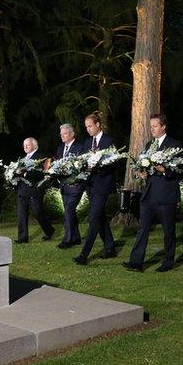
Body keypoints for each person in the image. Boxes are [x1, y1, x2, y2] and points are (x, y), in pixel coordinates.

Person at [123, 113, 183, 273]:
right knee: (142, 229)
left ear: (163, 126)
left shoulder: (174, 145)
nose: (152, 129)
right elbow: (143, 166)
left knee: (168, 231)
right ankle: (136, 262)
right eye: (150, 127)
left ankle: (168, 262)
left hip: (166, 195)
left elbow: (180, 170)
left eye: (155, 126)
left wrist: (165, 170)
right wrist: (142, 173)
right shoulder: (149, 145)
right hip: (148, 194)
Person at [73, 112, 117, 265]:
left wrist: (98, 168)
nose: (88, 129)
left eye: (90, 126)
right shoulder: (86, 143)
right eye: (86, 127)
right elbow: (83, 162)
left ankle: (84, 254)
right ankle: (110, 248)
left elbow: (114, 163)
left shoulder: (108, 140)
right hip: (90, 186)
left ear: (98, 124)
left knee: (94, 218)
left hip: (103, 185)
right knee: (100, 217)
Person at [15, 137, 55, 243]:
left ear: (34, 145)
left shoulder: (42, 157)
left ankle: (49, 230)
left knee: (38, 213)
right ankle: (22, 238)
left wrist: (25, 173)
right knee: (21, 214)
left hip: (34, 190)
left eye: (27, 144)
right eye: (24, 145)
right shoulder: (23, 158)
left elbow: (44, 173)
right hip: (22, 190)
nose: (25, 147)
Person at [55, 123, 87, 249]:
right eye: (61, 134)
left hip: (75, 185)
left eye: (65, 134)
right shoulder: (59, 149)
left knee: (68, 210)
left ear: (72, 134)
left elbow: (82, 166)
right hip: (64, 186)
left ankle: (67, 239)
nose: (62, 136)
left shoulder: (80, 147)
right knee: (70, 212)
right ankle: (76, 237)